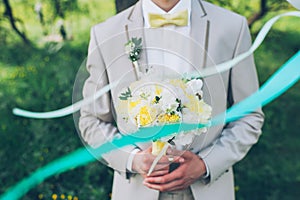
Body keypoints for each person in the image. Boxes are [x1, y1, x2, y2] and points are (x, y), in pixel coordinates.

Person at [79, 0, 264, 199]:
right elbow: (92, 121)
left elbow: (249, 116)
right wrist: (133, 159)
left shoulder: (232, 27)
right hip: (138, 190)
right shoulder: (106, 34)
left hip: (208, 189)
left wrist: (206, 164)